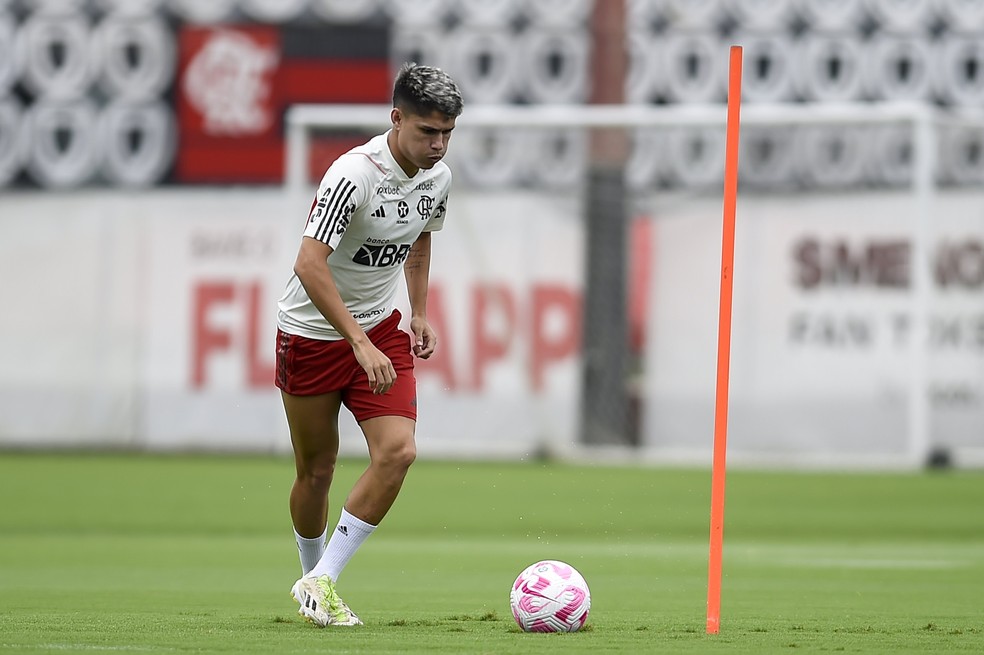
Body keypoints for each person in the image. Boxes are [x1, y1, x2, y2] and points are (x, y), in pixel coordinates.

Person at [275, 62, 463, 627]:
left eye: (447, 133)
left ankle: (321, 582)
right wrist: (355, 342)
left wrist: (421, 312)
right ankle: (311, 575)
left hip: (380, 328)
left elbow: (420, 241)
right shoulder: (353, 173)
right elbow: (309, 264)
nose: (438, 144)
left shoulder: (440, 179)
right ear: (396, 118)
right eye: (427, 131)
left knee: (399, 452)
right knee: (317, 470)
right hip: (312, 333)